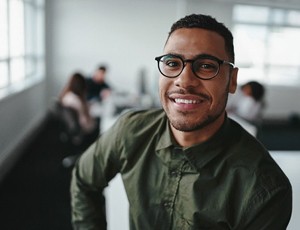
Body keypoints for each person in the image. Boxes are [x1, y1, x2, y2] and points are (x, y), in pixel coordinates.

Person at [70, 14, 292, 229]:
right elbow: (84, 179)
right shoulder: (131, 130)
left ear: (232, 81)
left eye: (206, 65)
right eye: (173, 63)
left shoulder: (264, 189)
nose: (184, 81)